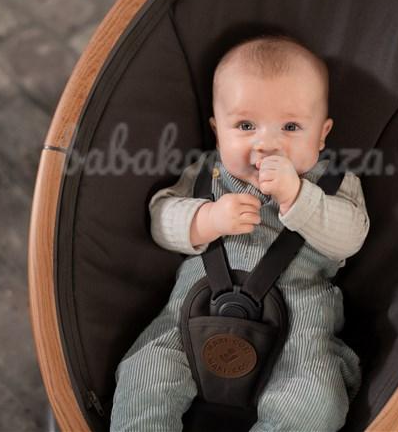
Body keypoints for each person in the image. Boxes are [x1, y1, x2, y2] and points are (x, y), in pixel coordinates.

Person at [111, 35, 370, 432]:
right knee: (144, 374)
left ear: (322, 134)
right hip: (193, 316)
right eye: (246, 126)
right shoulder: (207, 174)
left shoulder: (332, 183)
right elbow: (160, 219)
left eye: (291, 127)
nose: (267, 145)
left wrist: (299, 198)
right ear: (218, 132)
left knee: (315, 404)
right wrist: (207, 219)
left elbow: (351, 237)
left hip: (296, 332)